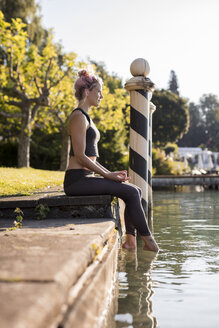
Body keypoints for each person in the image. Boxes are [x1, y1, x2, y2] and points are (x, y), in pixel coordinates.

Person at [63, 69, 159, 252]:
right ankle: (150, 243)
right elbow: (80, 156)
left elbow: (89, 158)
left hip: (85, 178)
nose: (101, 95)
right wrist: (108, 175)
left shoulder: (86, 117)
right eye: (98, 91)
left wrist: (110, 174)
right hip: (76, 181)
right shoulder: (78, 117)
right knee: (131, 193)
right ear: (86, 92)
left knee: (136, 190)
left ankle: (131, 241)